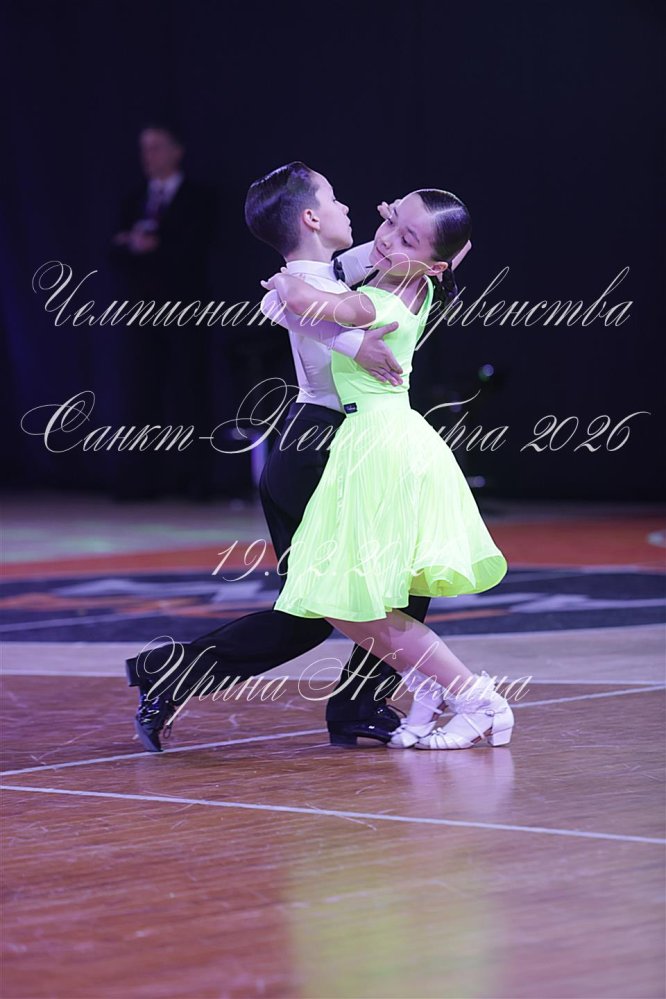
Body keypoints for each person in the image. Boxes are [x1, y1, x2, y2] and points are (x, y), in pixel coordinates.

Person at [126, 162, 437, 751]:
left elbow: (411, 255)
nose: (349, 208)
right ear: (312, 218)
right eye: (335, 199)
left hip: (321, 445)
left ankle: (348, 702)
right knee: (342, 601)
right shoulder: (305, 281)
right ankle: (348, 702)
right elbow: (286, 303)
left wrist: (402, 224)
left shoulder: (328, 273)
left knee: (352, 598)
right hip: (320, 447)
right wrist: (354, 341)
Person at [265, 188, 514, 750]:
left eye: (407, 238)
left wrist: (282, 279)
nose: (386, 239)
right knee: (338, 593)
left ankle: (477, 699)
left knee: (345, 595)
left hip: (381, 447)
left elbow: (303, 299)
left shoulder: (382, 301)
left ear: (434, 264)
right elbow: (447, 248)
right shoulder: (410, 281)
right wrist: (403, 233)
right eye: (390, 221)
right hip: (370, 441)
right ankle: (428, 685)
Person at [110, 123, 217, 498]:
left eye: (156, 147)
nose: (148, 156)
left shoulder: (198, 198)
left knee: (190, 390)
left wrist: (155, 244)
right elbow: (115, 249)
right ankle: (141, 480)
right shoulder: (134, 198)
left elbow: (194, 247)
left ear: (176, 150)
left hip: (186, 310)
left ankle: (197, 480)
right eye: (144, 148)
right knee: (142, 392)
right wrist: (132, 244)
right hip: (142, 311)